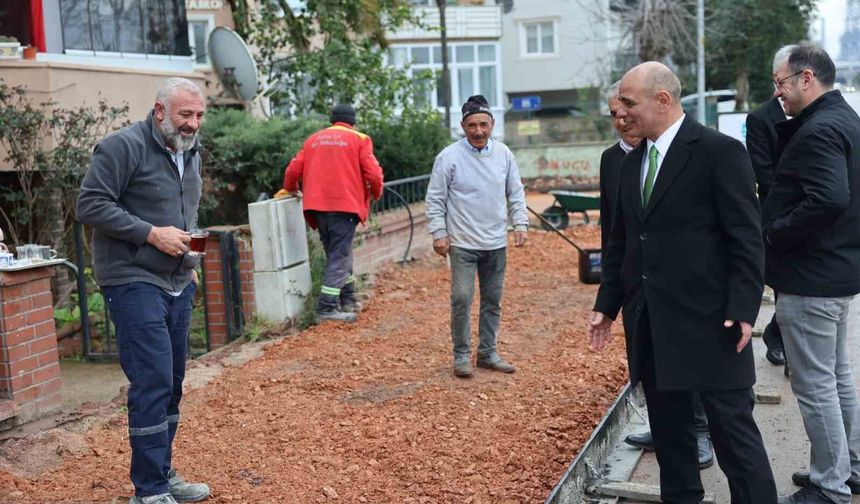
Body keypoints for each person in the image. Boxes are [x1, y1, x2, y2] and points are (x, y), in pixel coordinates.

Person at [588, 62, 776, 503]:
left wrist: (742, 311)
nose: (623, 113)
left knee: (734, 442)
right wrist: (607, 304)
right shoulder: (633, 162)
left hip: (715, 327)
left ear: (663, 100)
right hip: (653, 327)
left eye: (630, 103)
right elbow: (623, 241)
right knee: (672, 447)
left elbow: (747, 240)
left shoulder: (719, 152)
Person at [76, 77, 211, 504]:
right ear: (159, 111)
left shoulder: (191, 155)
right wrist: (151, 234)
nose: (192, 124)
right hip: (132, 279)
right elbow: (90, 205)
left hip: (176, 281)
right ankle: (148, 490)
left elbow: (184, 212)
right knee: (151, 381)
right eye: (184, 115)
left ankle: (163, 472)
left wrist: (189, 261)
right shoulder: (122, 147)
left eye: (199, 115)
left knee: (171, 383)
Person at [600, 81, 713, 469]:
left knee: (685, 366)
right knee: (649, 363)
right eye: (614, 114)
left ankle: (699, 433)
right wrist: (610, 290)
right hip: (637, 282)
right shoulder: (614, 161)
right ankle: (662, 426)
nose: (621, 119)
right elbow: (612, 227)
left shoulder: (685, 154)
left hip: (680, 287)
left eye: (626, 109)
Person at [765, 44, 860, 504]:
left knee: (816, 385)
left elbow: (828, 199)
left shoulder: (820, 129)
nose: (777, 93)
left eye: (780, 82)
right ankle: (849, 468)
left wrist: (774, 235)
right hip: (836, 270)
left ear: (806, 78)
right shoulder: (846, 120)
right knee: (836, 377)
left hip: (811, 276)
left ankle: (830, 487)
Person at [425, 94, 528, 378]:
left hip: (496, 242)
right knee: (461, 298)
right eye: (472, 125)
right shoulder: (449, 157)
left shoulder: (504, 154)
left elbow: (515, 192)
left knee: (492, 300)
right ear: (463, 126)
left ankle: (487, 353)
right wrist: (439, 233)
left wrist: (520, 224)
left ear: (492, 123)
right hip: (462, 244)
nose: (479, 130)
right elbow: (435, 198)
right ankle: (460, 356)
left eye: (484, 124)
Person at [283, 104, 384, 323]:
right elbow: (374, 174)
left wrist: (291, 188)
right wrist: (376, 193)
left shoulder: (314, 139)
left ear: (332, 119)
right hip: (345, 205)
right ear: (353, 121)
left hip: (317, 206)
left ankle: (347, 297)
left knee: (336, 252)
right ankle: (327, 307)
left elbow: (292, 170)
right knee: (340, 254)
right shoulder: (360, 139)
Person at [746, 45, 795, 367]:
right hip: (780, 212)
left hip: (815, 209)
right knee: (785, 284)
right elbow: (762, 171)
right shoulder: (761, 119)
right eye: (776, 82)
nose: (780, 89)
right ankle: (783, 343)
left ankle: (782, 335)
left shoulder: (818, 114)